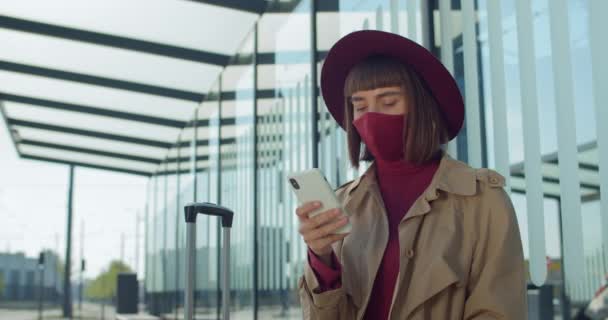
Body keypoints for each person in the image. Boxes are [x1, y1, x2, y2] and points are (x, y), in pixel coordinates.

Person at [296, 30, 527, 319]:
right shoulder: (343, 204)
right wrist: (321, 257)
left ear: (423, 105)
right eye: (360, 106)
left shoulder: (482, 199)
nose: (371, 117)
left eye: (389, 102)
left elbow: (498, 312)